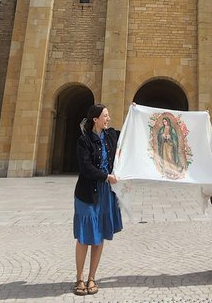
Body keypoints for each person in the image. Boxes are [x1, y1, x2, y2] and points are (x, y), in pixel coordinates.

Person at [72, 103, 122, 296]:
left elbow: (128, 133)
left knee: (99, 235)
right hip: (87, 193)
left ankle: (92, 277)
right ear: (96, 119)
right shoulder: (84, 141)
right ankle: (79, 278)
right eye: (106, 116)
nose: (108, 118)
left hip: (105, 194)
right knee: (85, 236)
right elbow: (86, 168)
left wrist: (134, 110)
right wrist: (106, 177)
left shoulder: (110, 136)